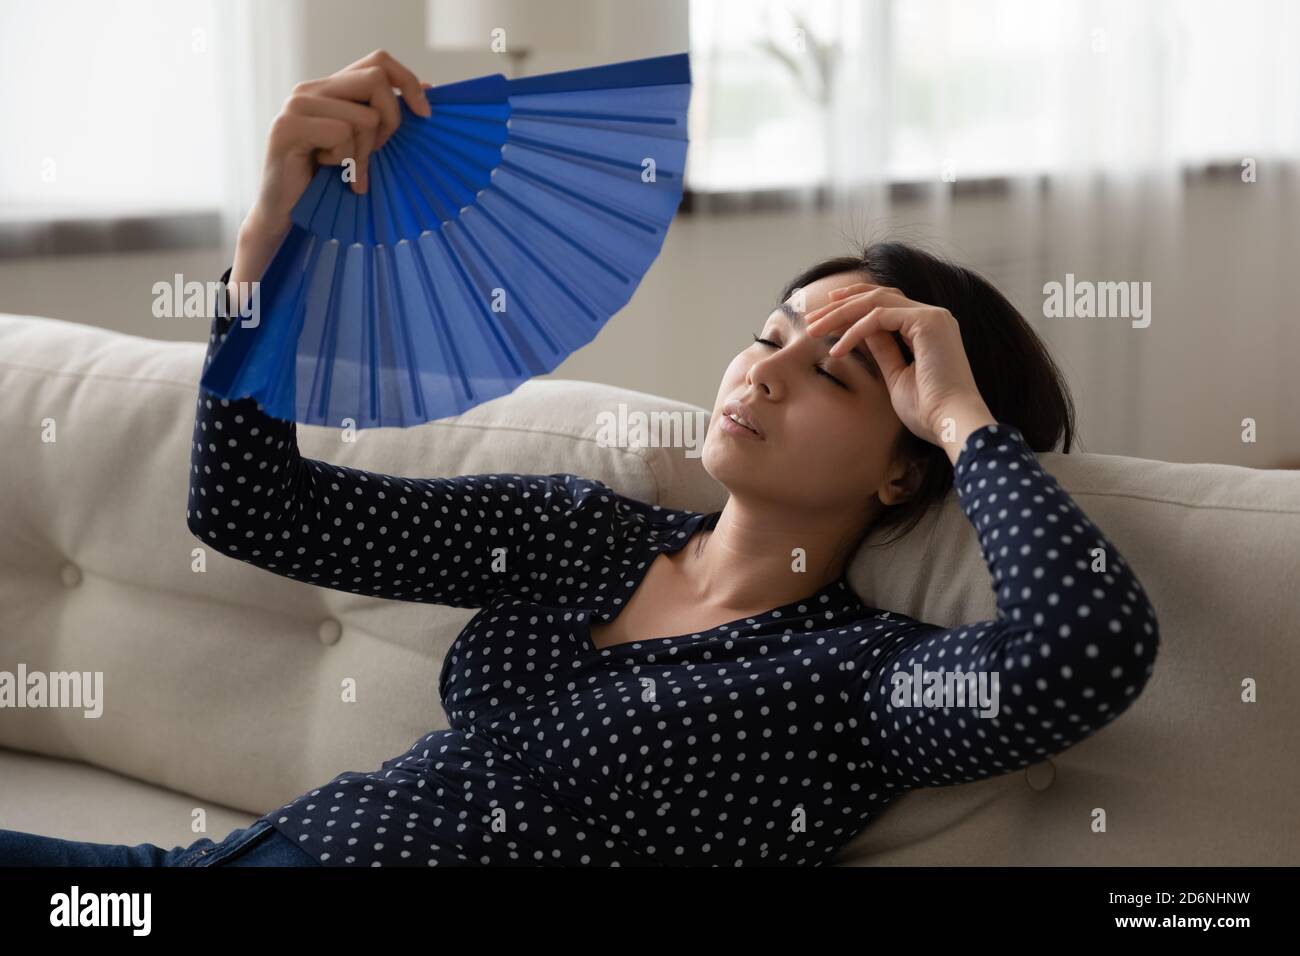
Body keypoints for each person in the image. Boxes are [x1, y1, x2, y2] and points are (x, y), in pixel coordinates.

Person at [1, 50, 1159, 867]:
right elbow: (257, 510)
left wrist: (963, 417)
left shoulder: (857, 679)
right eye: (767, 337)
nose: (761, 371)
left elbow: (1084, 653)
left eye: (834, 372)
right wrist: (269, 241)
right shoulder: (579, 532)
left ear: (903, 468)